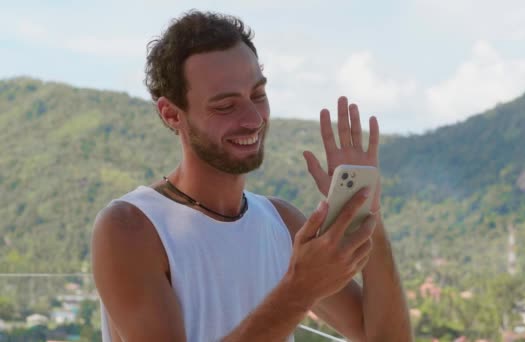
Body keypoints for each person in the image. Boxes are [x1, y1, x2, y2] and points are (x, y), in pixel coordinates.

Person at [91, 10, 412, 342]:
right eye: (226, 106)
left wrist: (367, 213)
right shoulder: (130, 228)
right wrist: (299, 289)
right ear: (171, 113)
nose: (253, 119)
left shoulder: (282, 223)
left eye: (258, 95)